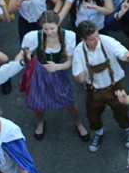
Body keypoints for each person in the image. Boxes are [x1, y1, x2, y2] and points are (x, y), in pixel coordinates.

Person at [19, 11, 88, 142]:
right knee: (37, 102)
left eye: (52, 28)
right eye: (46, 29)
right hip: (40, 71)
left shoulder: (68, 35)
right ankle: (40, 123)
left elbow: (70, 61)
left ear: (58, 24)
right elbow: (25, 54)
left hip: (59, 70)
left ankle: (78, 123)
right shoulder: (33, 36)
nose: (49, 32)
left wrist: (57, 67)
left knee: (69, 101)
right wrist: (26, 58)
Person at [71, 20, 129, 152]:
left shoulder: (107, 41)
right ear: (83, 39)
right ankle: (99, 133)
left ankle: (128, 130)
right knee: (93, 115)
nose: (96, 40)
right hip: (93, 89)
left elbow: (121, 52)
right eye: (92, 39)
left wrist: (127, 56)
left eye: (97, 36)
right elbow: (77, 78)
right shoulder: (78, 52)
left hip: (114, 86)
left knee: (121, 111)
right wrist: (82, 76)